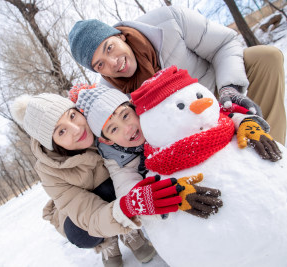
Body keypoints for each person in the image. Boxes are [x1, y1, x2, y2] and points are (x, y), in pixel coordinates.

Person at [10, 93, 189, 267]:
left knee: (121, 178)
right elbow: (87, 214)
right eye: (62, 131)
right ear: (52, 143)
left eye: (72, 116)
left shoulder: (97, 118)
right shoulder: (49, 170)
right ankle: (108, 241)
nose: (76, 129)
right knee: (80, 233)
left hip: (116, 186)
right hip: (81, 212)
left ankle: (126, 230)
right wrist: (128, 207)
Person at [68, 5, 286, 145]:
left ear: (120, 36)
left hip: (217, 92)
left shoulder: (168, 20)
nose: (113, 62)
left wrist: (230, 88)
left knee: (265, 57)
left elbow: (224, 43)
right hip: (183, 129)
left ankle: (271, 145)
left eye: (109, 47)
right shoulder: (110, 93)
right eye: (100, 64)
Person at [70, 83, 224, 218]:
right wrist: (157, 195)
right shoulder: (115, 157)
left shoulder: (154, 115)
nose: (127, 128)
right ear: (107, 140)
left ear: (133, 107)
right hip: (164, 180)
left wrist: (237, 119)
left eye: (125, 116)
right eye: (114, 128)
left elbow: (195, 117)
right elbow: (125, 186)